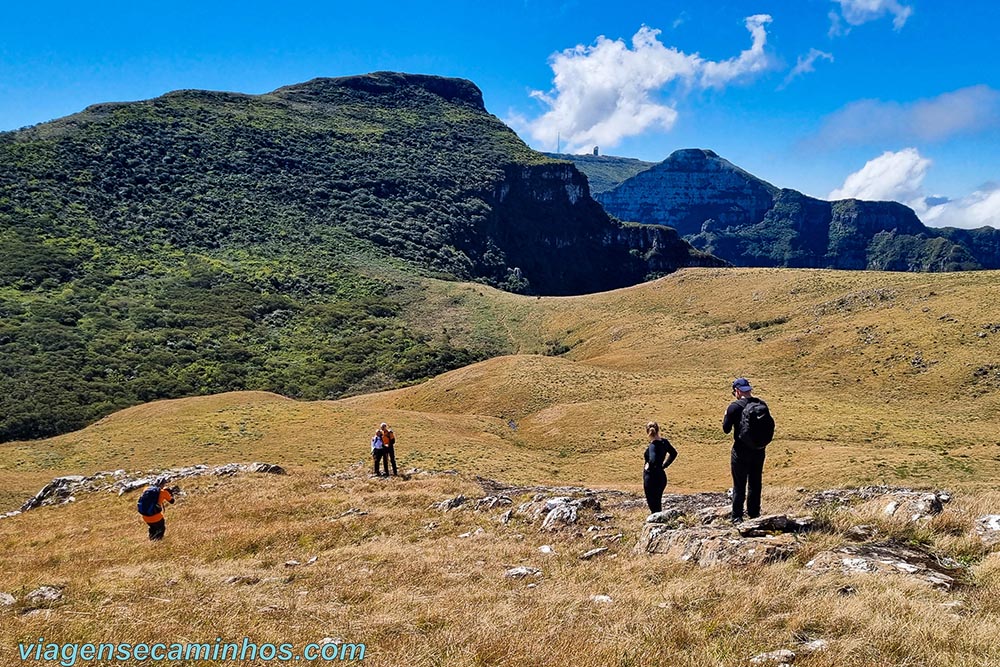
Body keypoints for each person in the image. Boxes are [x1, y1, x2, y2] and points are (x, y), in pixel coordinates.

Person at [722, 377, 773, 523]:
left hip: (740, 451)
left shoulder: (734, 407)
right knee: (755, 481)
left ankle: (737, 516)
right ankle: (754, 513)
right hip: (759, 449)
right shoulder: (761, 404)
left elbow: (725, 429)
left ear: (737, 391)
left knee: (739, 484)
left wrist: (727, 414)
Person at [642, 421, 678, 514]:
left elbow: (653, 459)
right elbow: (673, 453)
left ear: (647, 432)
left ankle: (655, 524)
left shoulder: (652, 445)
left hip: (651, 478)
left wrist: (648, 466)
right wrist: (664, 465)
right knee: (658, 501)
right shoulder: (664, 442)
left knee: (653, 505)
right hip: (661, 476)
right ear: (658, 430)